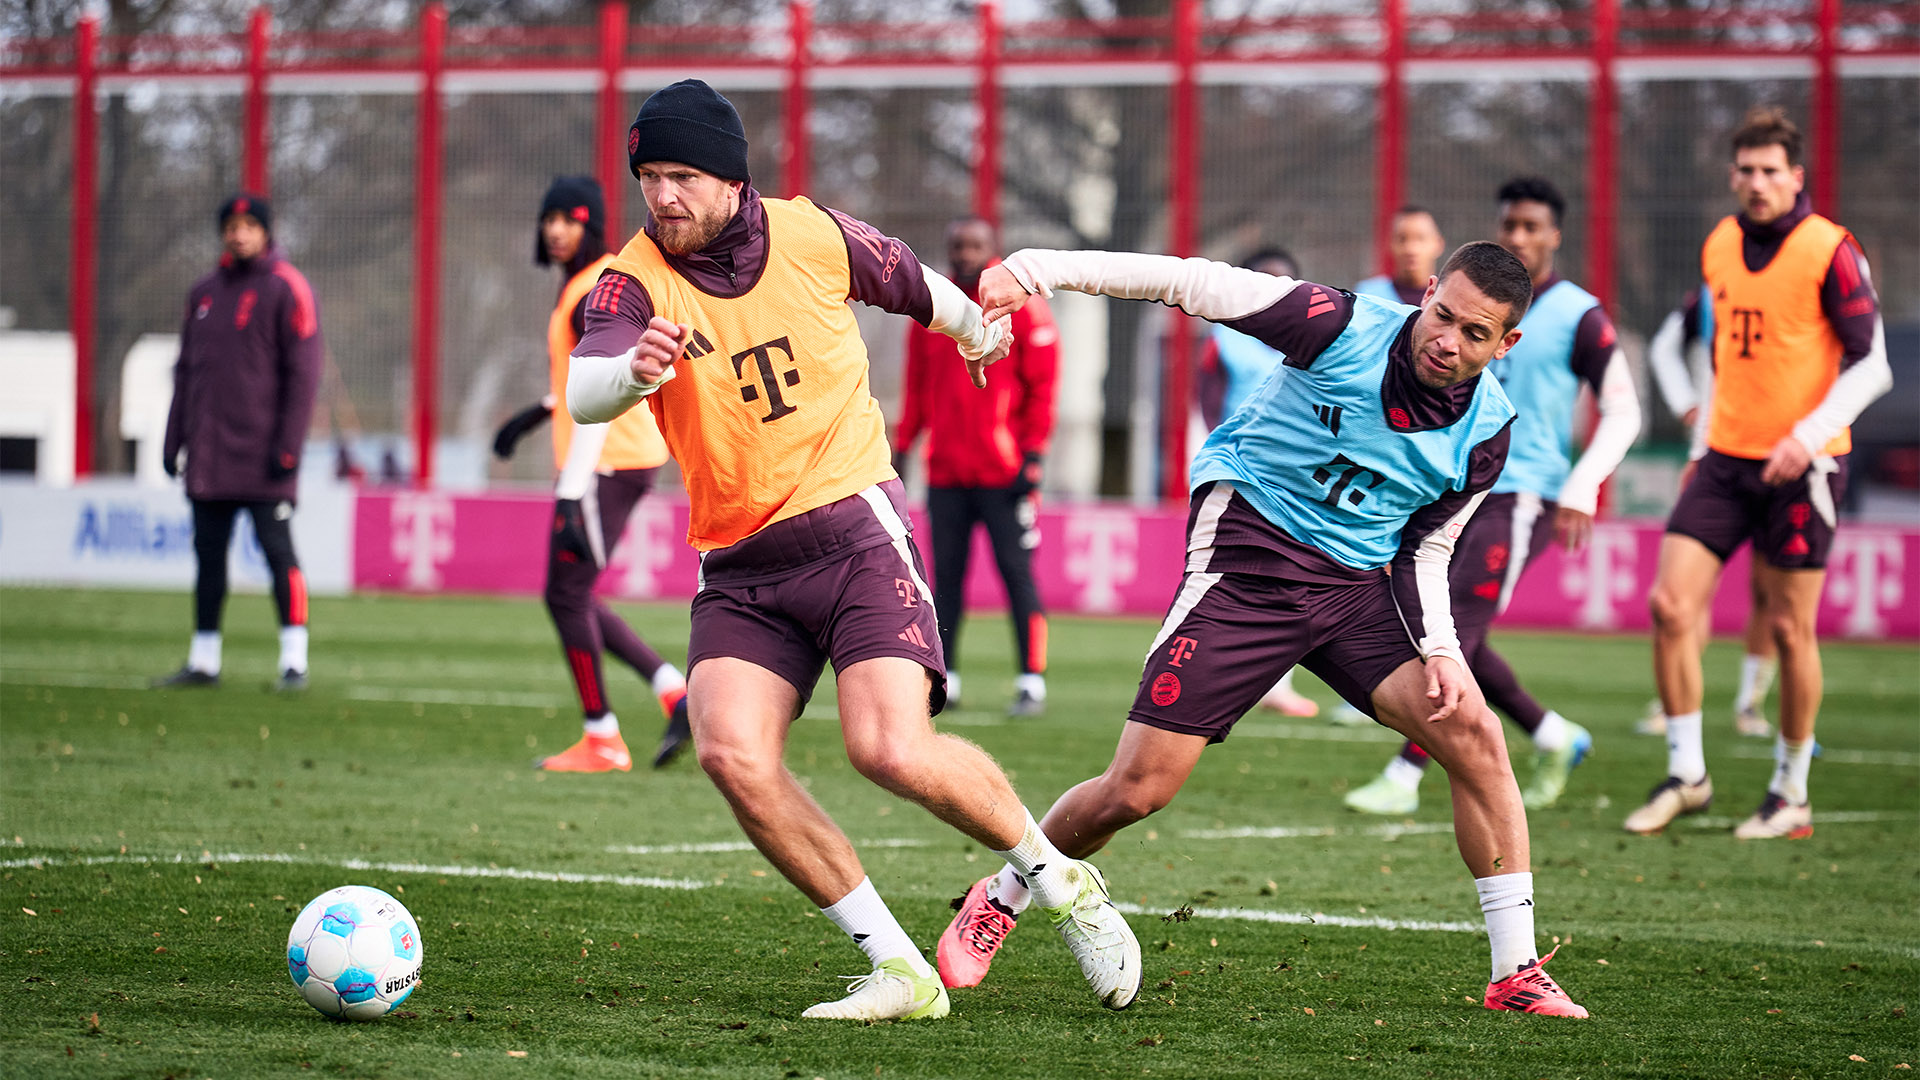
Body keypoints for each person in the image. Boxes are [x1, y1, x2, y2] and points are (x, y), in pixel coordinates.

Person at [563, 79, 1140, 1020]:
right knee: (730, 754)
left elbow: (915, 285)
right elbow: (586, 387)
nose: (662, 196)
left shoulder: (809, 234)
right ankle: (903, 971)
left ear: (731, 178)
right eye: (649, 177)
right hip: (739, 569)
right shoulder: (631, 280)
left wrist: (972, 330)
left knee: (888, 748)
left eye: (682, 175)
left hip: (852, 532)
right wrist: (631, 372)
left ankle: (1060, 882)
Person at [939, 240, 1590, 1018]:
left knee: (1474, 734)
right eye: (1442, 314)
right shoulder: (1336, 324)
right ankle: (1005, 893)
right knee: (1137, 791)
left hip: (1355, 590)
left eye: (1474, 333)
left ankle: (1514, 971)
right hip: (1250, 560)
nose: (1447, 339)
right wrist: (1036, 268)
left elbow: (1428, 546)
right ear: (1427, 295)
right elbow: (1188, 281)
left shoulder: (1488, 432)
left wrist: (1442, 649)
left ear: (1506, 344)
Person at [1626, 107, 1890, 839]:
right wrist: (1698, 441)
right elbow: (1721, 360)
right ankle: (1689, 775)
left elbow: (1873, 364)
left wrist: (1806, 439)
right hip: (1723, 462)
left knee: (1787, 627)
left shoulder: (1830, 249)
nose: (1756, 182)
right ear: (1732, 176)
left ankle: (1790, 791)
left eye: (1771, 170)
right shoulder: (1719, 243)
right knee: (1670, 607)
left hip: (1803, 469)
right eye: (1744, 170)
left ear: (1795, 176)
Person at [1346, 177, 1642, 815]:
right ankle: (1553, 734)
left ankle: (1404, 775)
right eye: (1510, 224)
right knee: (1452, 627)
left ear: (1554, 235)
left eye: (1532, 226)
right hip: (1449, 487)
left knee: (1453, 626)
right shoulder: (1463, 305)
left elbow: (1623, 410)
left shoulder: (1579, 315)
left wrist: (1582, 485)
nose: (1518, 236)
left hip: (1522, 494)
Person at [492, 176, 692, 772]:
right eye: (549, 218)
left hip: (608, 459)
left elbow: (606, 392)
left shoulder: (593, 289)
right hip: (610, 457)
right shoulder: (584, 285)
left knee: (565, 592)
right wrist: (537, 414)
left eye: (569, 219)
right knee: (572, 593)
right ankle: (673, 692)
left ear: (591, 225)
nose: (556, 230)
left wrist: (571, 492)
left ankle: (603, 736)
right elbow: (587, 383)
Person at [155, 193, 323, 691]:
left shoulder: (287, 287)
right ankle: (204, 659)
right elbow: (185, 373)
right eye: (232, 225)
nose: (240, 233)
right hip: (209, 456)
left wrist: (288, 446)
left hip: (265, 455)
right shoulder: (203, 293)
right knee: (208, 556)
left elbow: (304, 375)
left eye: (250, 225)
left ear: (266, 233)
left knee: (278, 555)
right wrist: (173, 439)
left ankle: (294, 660)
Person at [894, 218, 1059, 717]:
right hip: (946, 472)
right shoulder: (934, 307)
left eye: (975, 246)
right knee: (945, 579)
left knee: (1017, 574)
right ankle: (950, 676)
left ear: (993, 250)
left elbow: (1043, 388)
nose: (965, 254)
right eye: (957, 246)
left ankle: (1031, 679)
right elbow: (917, 388)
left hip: (1005, 472)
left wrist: (1032, 456)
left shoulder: (1023, 306)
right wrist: (903, 449)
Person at [1640, 284, 1777, 740]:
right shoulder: (1715, 288)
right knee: (1686, 591)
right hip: (1715, 454)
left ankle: (1750, 703)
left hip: (1783, 455)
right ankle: (1675, 698)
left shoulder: (1805, 281)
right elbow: (1663, 347)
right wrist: (1688, 407)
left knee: (1769, 590)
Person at [1194, 246, 1321, 718]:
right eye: (1263, 279)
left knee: (1287, 577)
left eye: (1283, 282)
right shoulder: (1225, 338)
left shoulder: (1314, 341)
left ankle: (1275, 685)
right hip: (1238, 472)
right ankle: (1189, 671)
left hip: (1294, 476)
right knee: (1219, 577)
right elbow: (1208, 397)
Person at [1356, 205, 1447, 306]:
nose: (1411, 249)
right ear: (1390, 244)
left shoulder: (1449, 298)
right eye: (1402, 239)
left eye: (1421, 238)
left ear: (1439, 244)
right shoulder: (1367, 296)